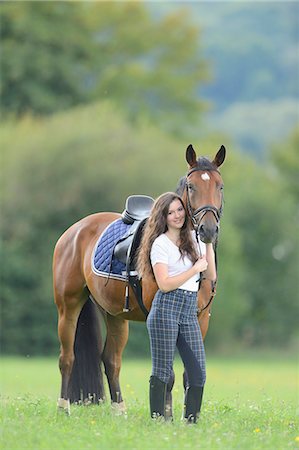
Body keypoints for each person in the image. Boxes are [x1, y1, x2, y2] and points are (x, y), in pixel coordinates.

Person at [137, 192, 216, 423]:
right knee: (162, 371)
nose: (177, 215)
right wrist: (193, 270)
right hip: (165, 311)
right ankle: (158, 420)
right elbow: (164, 284)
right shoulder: (159, 244)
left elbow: (210, 274)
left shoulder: (194, 237)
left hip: (188, 311)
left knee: (198, 372)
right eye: (170, 212)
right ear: (163, 217)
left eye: (179, 210)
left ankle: (191, 422)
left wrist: (208, 244)